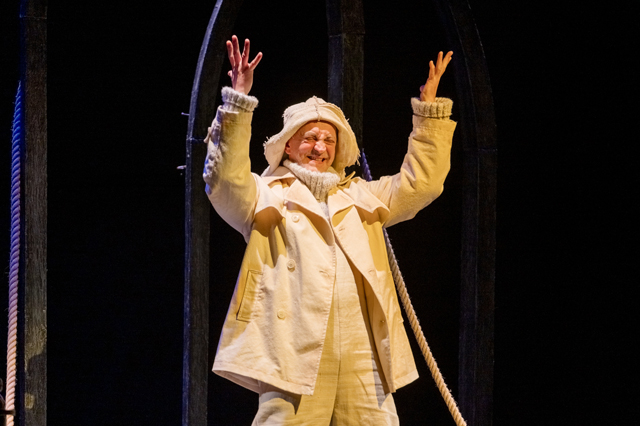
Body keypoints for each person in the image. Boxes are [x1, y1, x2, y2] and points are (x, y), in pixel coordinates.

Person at [203, 35, 456, 425]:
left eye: (328, 140)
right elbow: (224, 180)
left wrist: (428, 114)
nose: (319, 147)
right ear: (288, 146)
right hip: (292, 351)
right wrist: (237, 101)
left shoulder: (362, 196)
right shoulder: (265, 194)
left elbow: (421, 184)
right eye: (309, 138)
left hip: (363, 353)